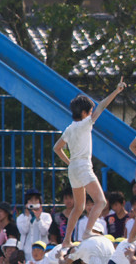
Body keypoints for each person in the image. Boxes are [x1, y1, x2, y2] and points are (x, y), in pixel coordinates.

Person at [54, 78, 127, 247]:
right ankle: (87, 231)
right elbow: (102, 105)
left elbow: (57, 148)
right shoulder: (85, 124)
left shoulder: (69, 128)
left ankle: (66, 241)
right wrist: (116, 90)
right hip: (83, 166)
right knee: (101, 201)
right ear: (86, 112)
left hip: (73, 168)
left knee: (78, 208)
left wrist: (69, 162)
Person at [16, 191, 51, 260]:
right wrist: (27, 216)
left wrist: (38, 218)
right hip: (27, 252)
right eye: (31, 200)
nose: (33, 202)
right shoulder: (21, 217)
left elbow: (44, 231)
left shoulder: (46, 216)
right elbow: (23, 231)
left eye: (36, 200)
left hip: (42, 251)